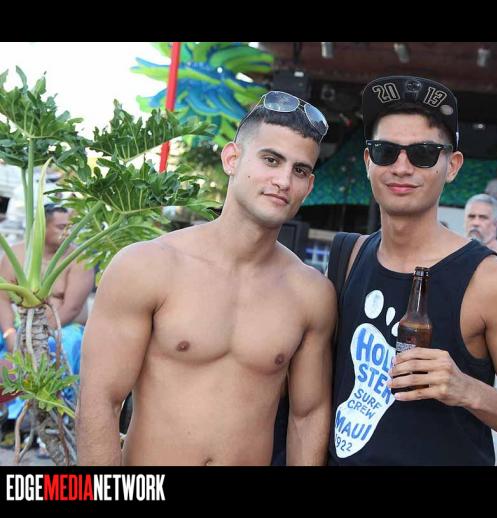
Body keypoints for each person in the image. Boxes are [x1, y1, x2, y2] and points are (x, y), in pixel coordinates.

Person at [77, 91, 337, 466]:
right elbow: (100, 399)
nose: (283, 180)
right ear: (232, 159)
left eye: (299, 171)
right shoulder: (148, 266)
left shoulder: (310, 294)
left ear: (308, 186)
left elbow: (308, 416)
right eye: (271, 160)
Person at [328, 76, 497, 466]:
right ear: (368, 162)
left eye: (423, 153)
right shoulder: (348, 257)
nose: (401, 167)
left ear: (452, 166)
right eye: (385, 151)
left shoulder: (489, 281)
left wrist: (466, 390)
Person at [0, 204, 94, 448]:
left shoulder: (79, 258)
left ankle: (54, 422)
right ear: (41, 228)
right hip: (17, 325)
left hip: (62, 327)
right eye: (62, 227)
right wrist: (10, 332)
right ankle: (8, 416)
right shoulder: (16, 253)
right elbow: (2, 298)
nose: (68, 232)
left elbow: (71, 307)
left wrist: (33, 336)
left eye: (70, 227)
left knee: (63, 345)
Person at [464, 193, 497, 269]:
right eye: (471, 216)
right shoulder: (462, 248)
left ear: (495, 224)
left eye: (483, 217)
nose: (475, 223)